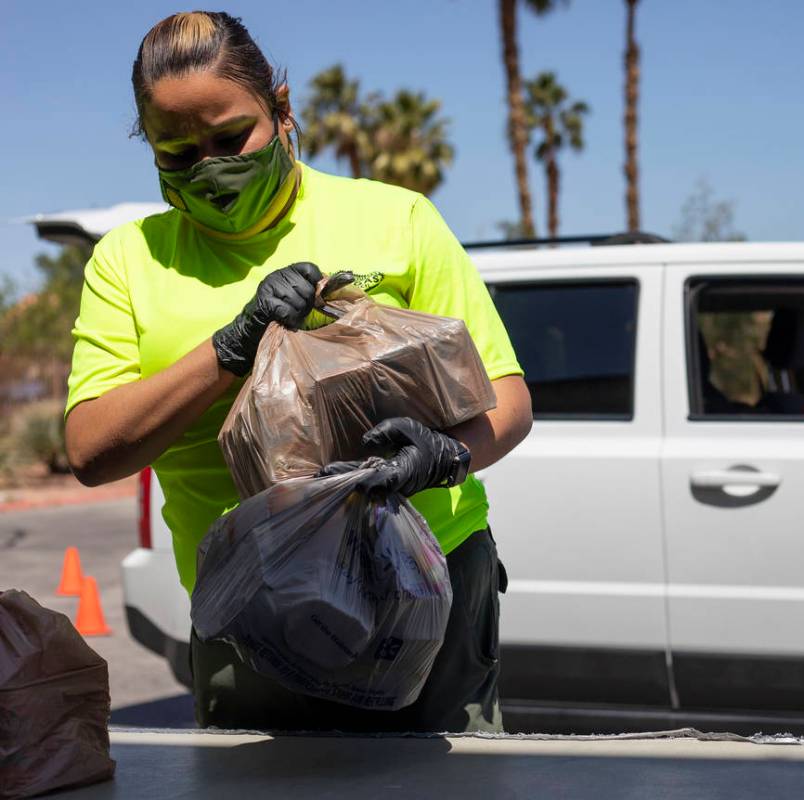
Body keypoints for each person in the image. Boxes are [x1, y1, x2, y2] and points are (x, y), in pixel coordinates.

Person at [63, 11, 532, 733]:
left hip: (428, 593)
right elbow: (93, 451)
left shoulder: (396, 220)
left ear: (282, 109)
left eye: (229, 138)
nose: (210, 166)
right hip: (252, 614)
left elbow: (507, 399)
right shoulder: (128, 262)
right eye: (178, 153)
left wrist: (447, 455)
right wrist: (230, 348)